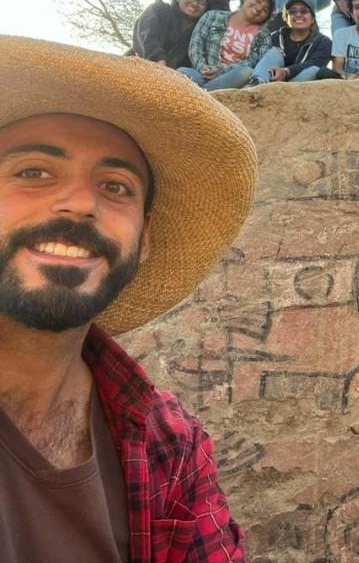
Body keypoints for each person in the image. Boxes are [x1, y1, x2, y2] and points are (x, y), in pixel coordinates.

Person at [0, 35, 257, 561]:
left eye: (115, 186)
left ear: (144, 240)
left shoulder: (170, 444)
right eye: (33, 172)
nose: (79, 204)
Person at [179, 0, 275, 91]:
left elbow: (253, 62)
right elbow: (196, 44)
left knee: (246, 72)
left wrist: (220, 71)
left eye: (265, 10)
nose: (260, 8)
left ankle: (202, 93)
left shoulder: (264, 36)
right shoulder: (213, 16)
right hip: (200, 74)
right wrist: (203, 68)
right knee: (182, 71)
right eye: (258, 1)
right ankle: (208, 94)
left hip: (231, 79)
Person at [249, 0, 338, 84]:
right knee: (274, 52)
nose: (298, 15)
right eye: (292, 11)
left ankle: (284, 93)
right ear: (287, 19)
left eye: (304, 11)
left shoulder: (324, 42)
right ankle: (258, 82)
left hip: (298, 83)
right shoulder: (275, 37)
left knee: (314, 69)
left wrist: (287, 72)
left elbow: (316, 63)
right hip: (272, 81)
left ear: (312, 19)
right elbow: (260, 60)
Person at [131, 0, 208, 69]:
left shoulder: (198, 33)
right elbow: (145, 34)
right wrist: (158, 58)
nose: (195, 4)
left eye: (201, 3)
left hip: (172, 77)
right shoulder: (159, 9)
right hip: (138, 64)